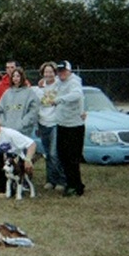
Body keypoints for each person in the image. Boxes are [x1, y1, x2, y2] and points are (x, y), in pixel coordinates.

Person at [53, 60, 85, 197]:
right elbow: (50, 82)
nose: (61, 73)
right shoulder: (59, 81)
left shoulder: (74, 82)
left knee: (72, 158)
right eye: (59, 71)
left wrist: (60, 99)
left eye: (64, 71)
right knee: (63, 156)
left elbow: (77, 94)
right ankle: (70, 182)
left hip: (74, 126)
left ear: (69, 71)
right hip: (62, 124)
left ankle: (76, 186)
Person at [33, 61, 65, 191]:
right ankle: (50, 180)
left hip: (56, 122)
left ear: (55, 73)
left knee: (54, 153)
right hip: (42, 122)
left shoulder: (60, 85)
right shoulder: (39, 88)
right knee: (47, 154)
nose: (48, 74)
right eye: (46, 72)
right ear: (42, 73)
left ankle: (61, 180)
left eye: (51, 72)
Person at [0, 67, 39, 136]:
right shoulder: (7, 93)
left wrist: (23, 123)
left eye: (18, 76)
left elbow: (34, 110)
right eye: (13, 76)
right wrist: (4, 123)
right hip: (8, 130)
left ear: (22, 77)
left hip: (24, 131)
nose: (15, 78)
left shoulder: (29, 92)